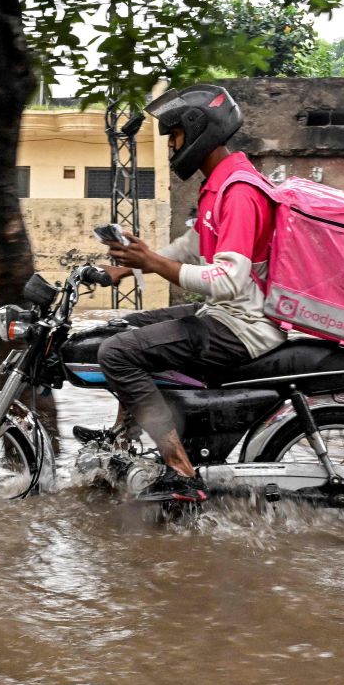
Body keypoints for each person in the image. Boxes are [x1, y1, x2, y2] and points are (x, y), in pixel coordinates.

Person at [74, 84, 283, 504]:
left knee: (117, 353)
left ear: (198, 129)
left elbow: (229, 279)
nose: (172, 146)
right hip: (225, 313)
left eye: (176, 136)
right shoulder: (218, 186)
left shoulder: (240, 192)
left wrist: (152, 263)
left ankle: (180, 471)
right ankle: (123, 436)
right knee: (123, 327)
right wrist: (125, 266)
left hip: (244, 325)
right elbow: (189, 249)